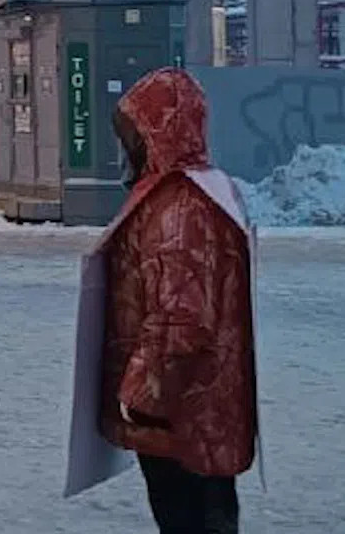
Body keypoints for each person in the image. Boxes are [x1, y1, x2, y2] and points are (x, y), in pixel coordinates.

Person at [101, 68, 256, 534]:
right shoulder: (201, 190)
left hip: (178, 409)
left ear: (156, 133)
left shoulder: (179, 206)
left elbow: (181, 317)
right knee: (207, 513)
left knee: (187, 516)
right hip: (202, 402)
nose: (126, 148)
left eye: (132, 135)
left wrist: (141, 394)